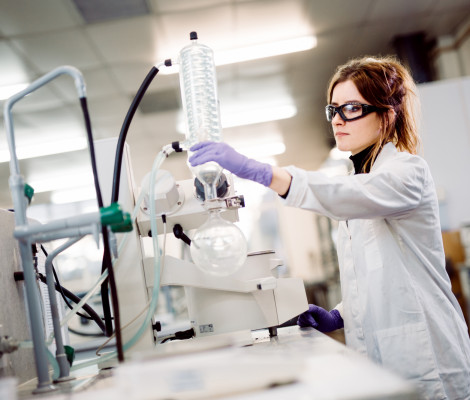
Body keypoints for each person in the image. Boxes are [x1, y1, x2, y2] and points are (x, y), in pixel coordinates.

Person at [188, 55, 470, 399]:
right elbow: (380, 281)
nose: (337, 120)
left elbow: (344, 194)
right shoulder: (360, 182)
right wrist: (339, 315)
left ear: (386, 114)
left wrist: (260, 172)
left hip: (429, 359)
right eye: (333, 109)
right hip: (385, 361)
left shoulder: (407, 172)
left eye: (351, 108)